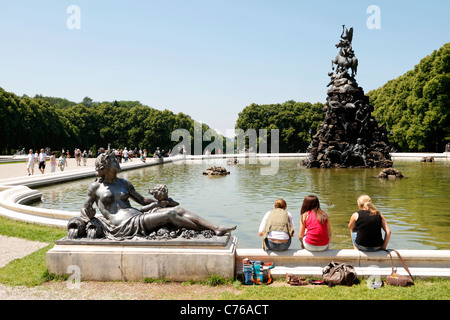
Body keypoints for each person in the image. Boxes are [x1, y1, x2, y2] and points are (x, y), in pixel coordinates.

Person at [68, 149, 236, 240]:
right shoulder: (95, 187)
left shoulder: (124, 183)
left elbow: (142, 201)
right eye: (113, 160)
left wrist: (160, 200)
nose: (117, 161)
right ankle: (211, 232)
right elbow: (85, 208)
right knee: (170, 214)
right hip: (123, 225)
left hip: (138, 214)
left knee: (178, 209)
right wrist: (88, 212)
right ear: (104, 166)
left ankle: (215, 228)